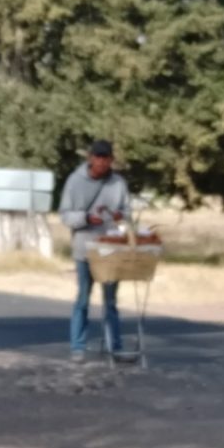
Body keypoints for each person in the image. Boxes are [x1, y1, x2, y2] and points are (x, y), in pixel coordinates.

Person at [57, 139, 136, 365]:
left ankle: (115, 347)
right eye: (98, 157)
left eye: (106, 158)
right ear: (90, 158)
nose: (102, 162)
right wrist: (84, 218)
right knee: (83, 299)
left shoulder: (118, 183)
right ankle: (78, 347)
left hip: (111, 249)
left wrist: (121, 215)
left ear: (111, 160)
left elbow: (127, 212)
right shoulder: (74, 181)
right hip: (84, 248)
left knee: (110, 301)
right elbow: (64, 214)